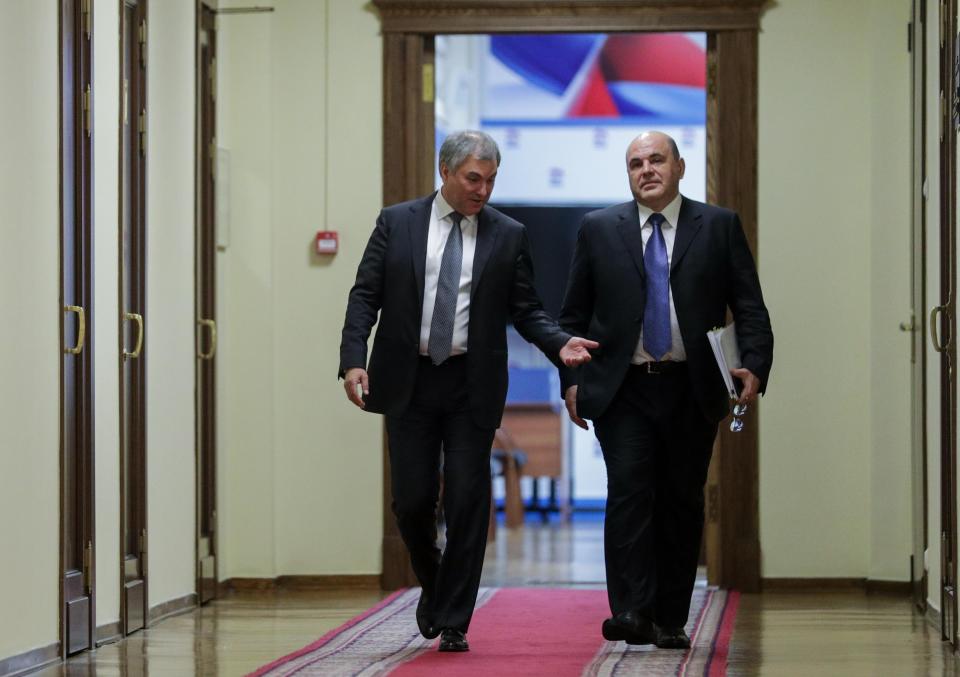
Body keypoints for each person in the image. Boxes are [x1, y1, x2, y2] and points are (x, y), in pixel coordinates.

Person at [339, 130, 598, 653]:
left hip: (469, 384)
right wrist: (352, 361)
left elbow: (526, 310)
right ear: (445, 172)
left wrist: (559, 345)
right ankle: (436, 582)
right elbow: (366, 294)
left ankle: (454, 617)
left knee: (467, 498)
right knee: (412, 503)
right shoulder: (397, 222)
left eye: (491, 180)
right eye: (473, 178)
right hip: (408, 379)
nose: (483, 190)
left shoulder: (508, 234)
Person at [558, 131, 773, 649]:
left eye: (657, 160)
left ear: (679, 166)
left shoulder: (718, 226)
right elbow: (572, 315)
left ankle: (671, 617)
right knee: (630, 492)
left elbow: (749, 306)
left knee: (681, 499)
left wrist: (755, 366)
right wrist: (571, 380)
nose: (646, 169)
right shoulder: (598, 228)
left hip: (691, 386)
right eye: (635, 163)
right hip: (622, 387)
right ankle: (630, 611)